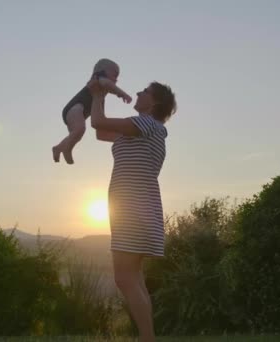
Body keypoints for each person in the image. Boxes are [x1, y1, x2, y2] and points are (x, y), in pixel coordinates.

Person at [88, 78, 177, 342]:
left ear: (155, 102)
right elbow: (101, 132)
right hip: (138, 207)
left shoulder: (145, 124)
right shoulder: (147, 129)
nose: (138, 92)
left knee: (124, 278)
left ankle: (147, 338)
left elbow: (96, 122)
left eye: (145, 91)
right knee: (134, 278)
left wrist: (97, 94)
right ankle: (147, 337)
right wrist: (101, 95)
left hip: (132, 207)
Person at [52, 58, 132, 164]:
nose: (116, 78)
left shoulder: (100, 97)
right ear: (102, 70)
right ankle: (67, 149)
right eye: (114, 74)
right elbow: (108, 84)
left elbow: (100, 125)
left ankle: (59, 148)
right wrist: (122, 93)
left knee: (77, 133)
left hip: (79, 111)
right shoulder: (98, 77)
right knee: (79, 130)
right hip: (75, 107)